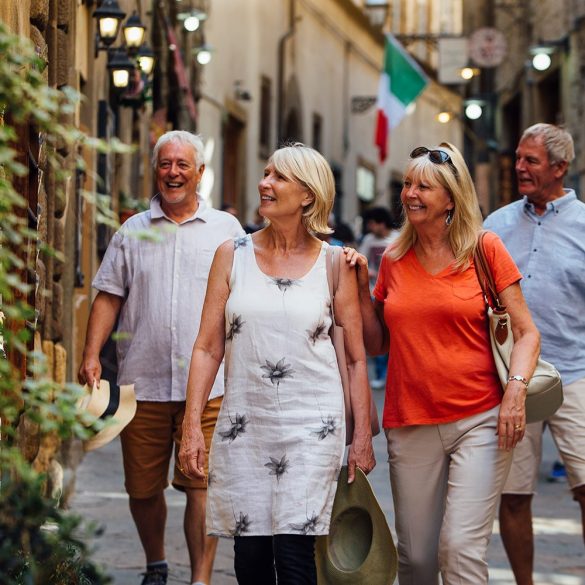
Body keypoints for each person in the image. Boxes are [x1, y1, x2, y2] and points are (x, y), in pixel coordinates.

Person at [178, 143, 376, 585]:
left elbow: (358, 360)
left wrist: (361, 436)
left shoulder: (334, 264)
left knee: (294, 555)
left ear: (308, 195)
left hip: (313, 428)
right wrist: (192, 426)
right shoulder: (232, 255)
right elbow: (208, 347)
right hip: (245, 427)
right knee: (249, 559)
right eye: (265, 173)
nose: (264, 183)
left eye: (278, 177)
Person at [344, 142, 540, 584]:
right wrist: (361, 288)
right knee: (415, 559)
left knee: (460, 550)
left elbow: (527, 332)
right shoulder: (393, 258)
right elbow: (378, 344)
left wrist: (515, 391)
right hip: (410, 421)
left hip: (482, 418)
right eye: (408, 185)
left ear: (450, 197)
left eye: (424, 186)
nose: (410, 194)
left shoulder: (484, 249)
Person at [78, 130, 244, 585]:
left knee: (200, 484)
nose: (172, 172)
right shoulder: (133, 230)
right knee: (142, 487)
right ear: (157, 170)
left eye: (182, 165)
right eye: (165, 164)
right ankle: (155, 563)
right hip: (145, 381)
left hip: (209, 386)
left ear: (200, 173)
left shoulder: (227, 231)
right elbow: (108, 296)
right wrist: (92, 353)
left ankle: (201, 578)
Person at [484, 123, 585, 585]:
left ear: (560, 168)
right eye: (519, 159)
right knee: (513, 494)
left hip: (577, 372)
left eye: (531, 161)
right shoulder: (496, 224)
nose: (519, 168)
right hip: (511, 380)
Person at [358, 206, 399, 389]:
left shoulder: (398, 239)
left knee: (395, 338)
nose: (369, 227)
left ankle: (393, 374)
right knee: (378, 336)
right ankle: (382, 374)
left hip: (395, 294)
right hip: (375, 293)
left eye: (372, 223)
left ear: (381, 223)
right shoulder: (368, 240)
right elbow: (361, 261)